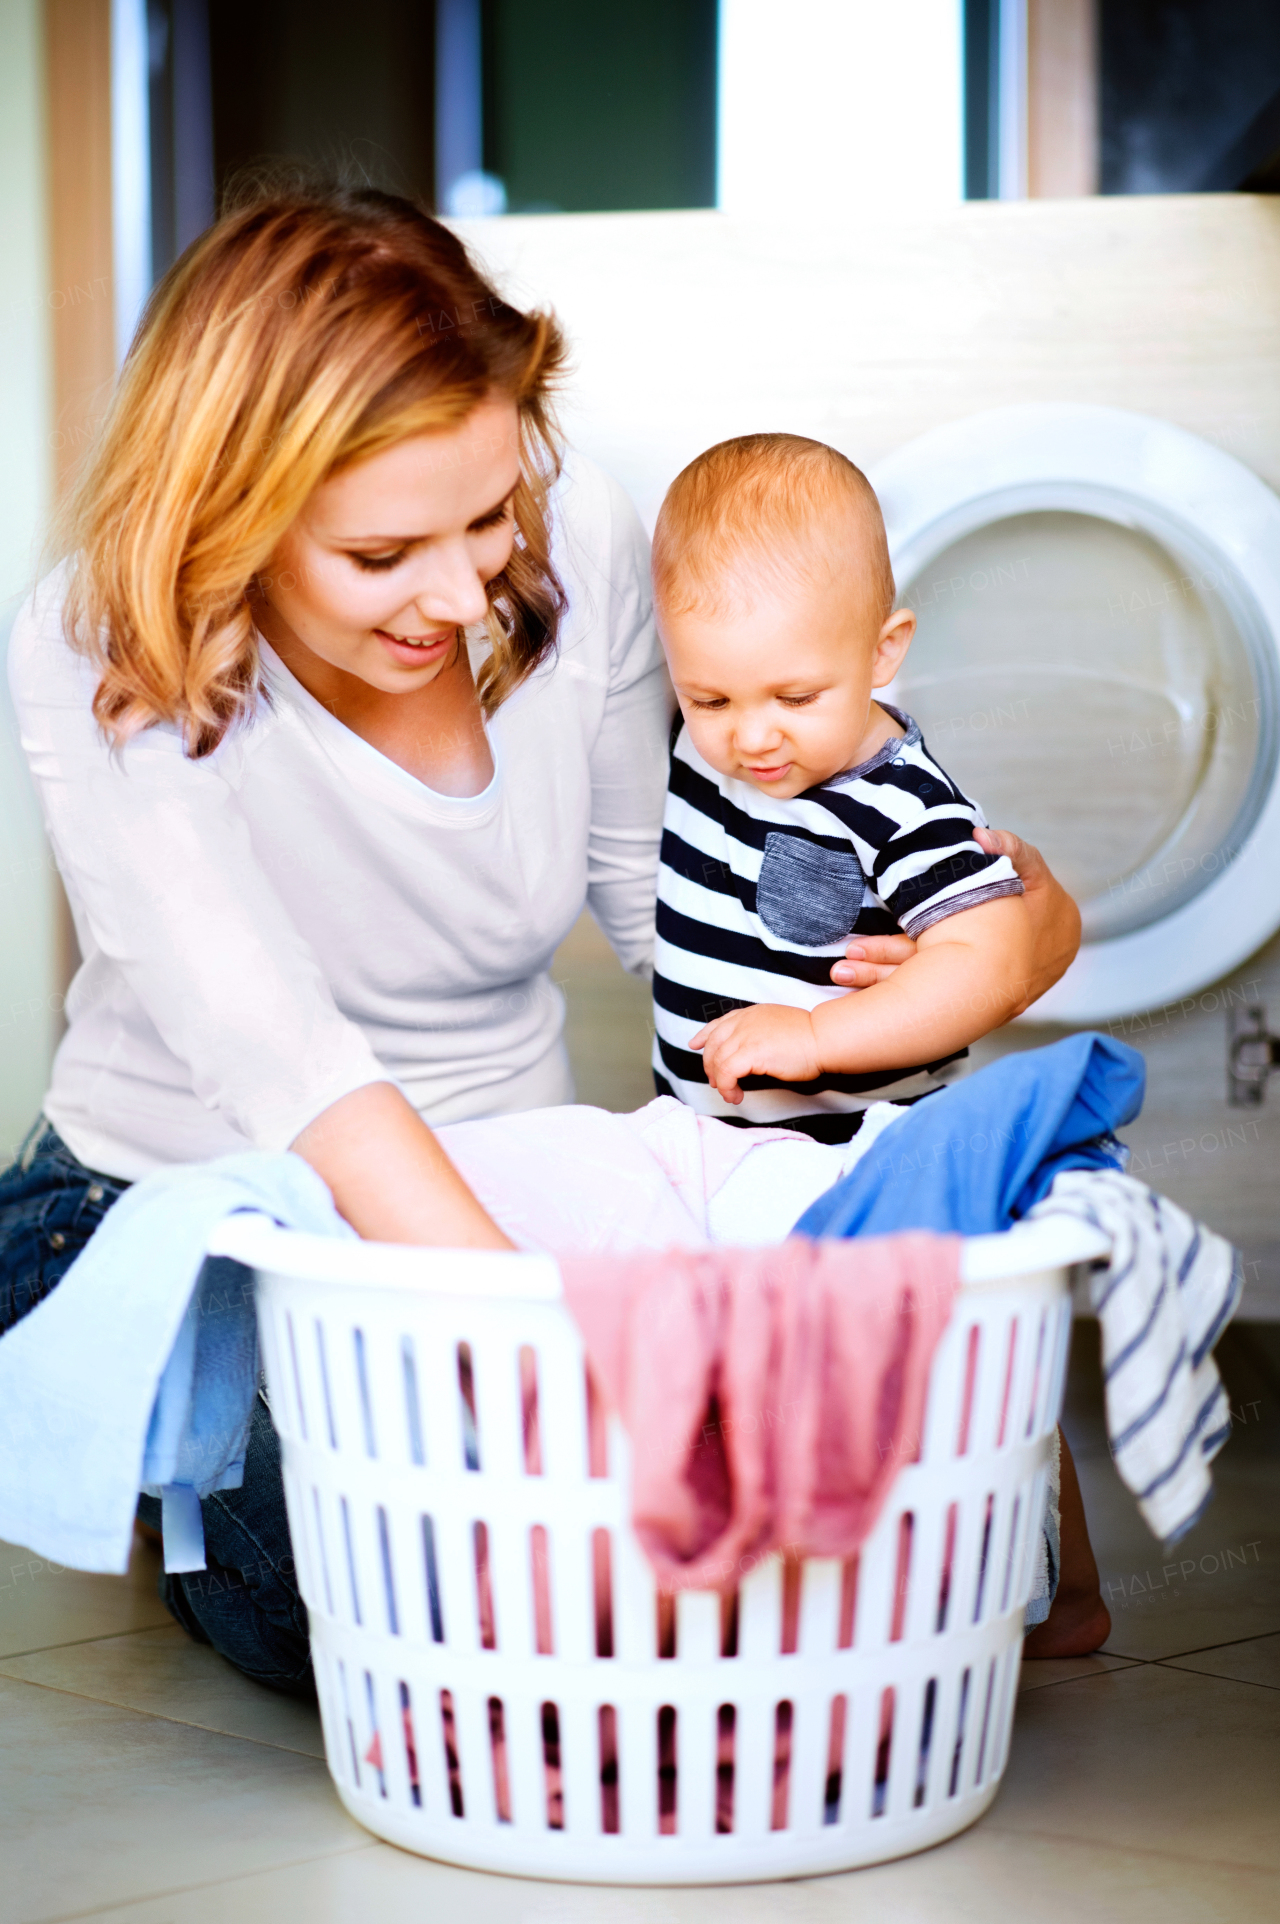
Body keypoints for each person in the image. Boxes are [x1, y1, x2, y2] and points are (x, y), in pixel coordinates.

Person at [0, 182, 1085, 1691]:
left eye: (489, 510)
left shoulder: (575, 540)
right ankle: (174, 1452)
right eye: (385, 556)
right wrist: (582, 1379)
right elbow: (291, 1068)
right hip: (195, 1203)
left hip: (513, 1179)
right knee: (452, 1597)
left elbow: (674, 907)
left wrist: (970, 953)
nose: (463, 590)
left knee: (769, 1529)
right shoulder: (97, 654)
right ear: (234, 518)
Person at [650, 432, 1036, 1139]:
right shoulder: (699, 736)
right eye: (710, 700)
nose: (753, 737)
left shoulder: (903, 807)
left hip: (866, 1154)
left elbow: (996, 964)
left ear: (882, 649)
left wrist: (817, 1036)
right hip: (710, 1143)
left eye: (795, 698)